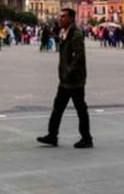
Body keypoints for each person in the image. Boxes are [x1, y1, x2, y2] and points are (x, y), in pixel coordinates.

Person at [37, 8, 93, 149]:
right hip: (65, 79)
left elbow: (78, 56)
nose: (60, 18)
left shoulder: (76, 34)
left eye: (63, 16)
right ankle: (52, 135)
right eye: (60, 16)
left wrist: (69, 71)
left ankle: (86, 138)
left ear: (71, 18)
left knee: (80, 108)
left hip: (74, 80)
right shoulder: (65, 32)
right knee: (58, 108)